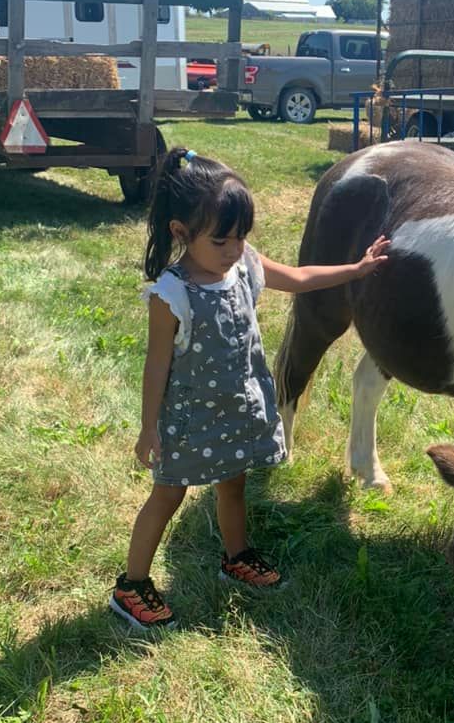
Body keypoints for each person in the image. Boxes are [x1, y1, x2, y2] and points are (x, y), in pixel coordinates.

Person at [109, 148, 390, 629]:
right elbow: (156, 366)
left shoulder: (245, 266)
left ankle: (235, 557)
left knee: (233, 484)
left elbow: (301, 278)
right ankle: (131, 585)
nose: (234, 250)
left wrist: (355, 269)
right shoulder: (171, 293)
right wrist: (148, 429)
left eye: (241, 238)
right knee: (168, 497)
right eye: (221, 241)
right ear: (180, 233)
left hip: (237, 411)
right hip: (190, 420)